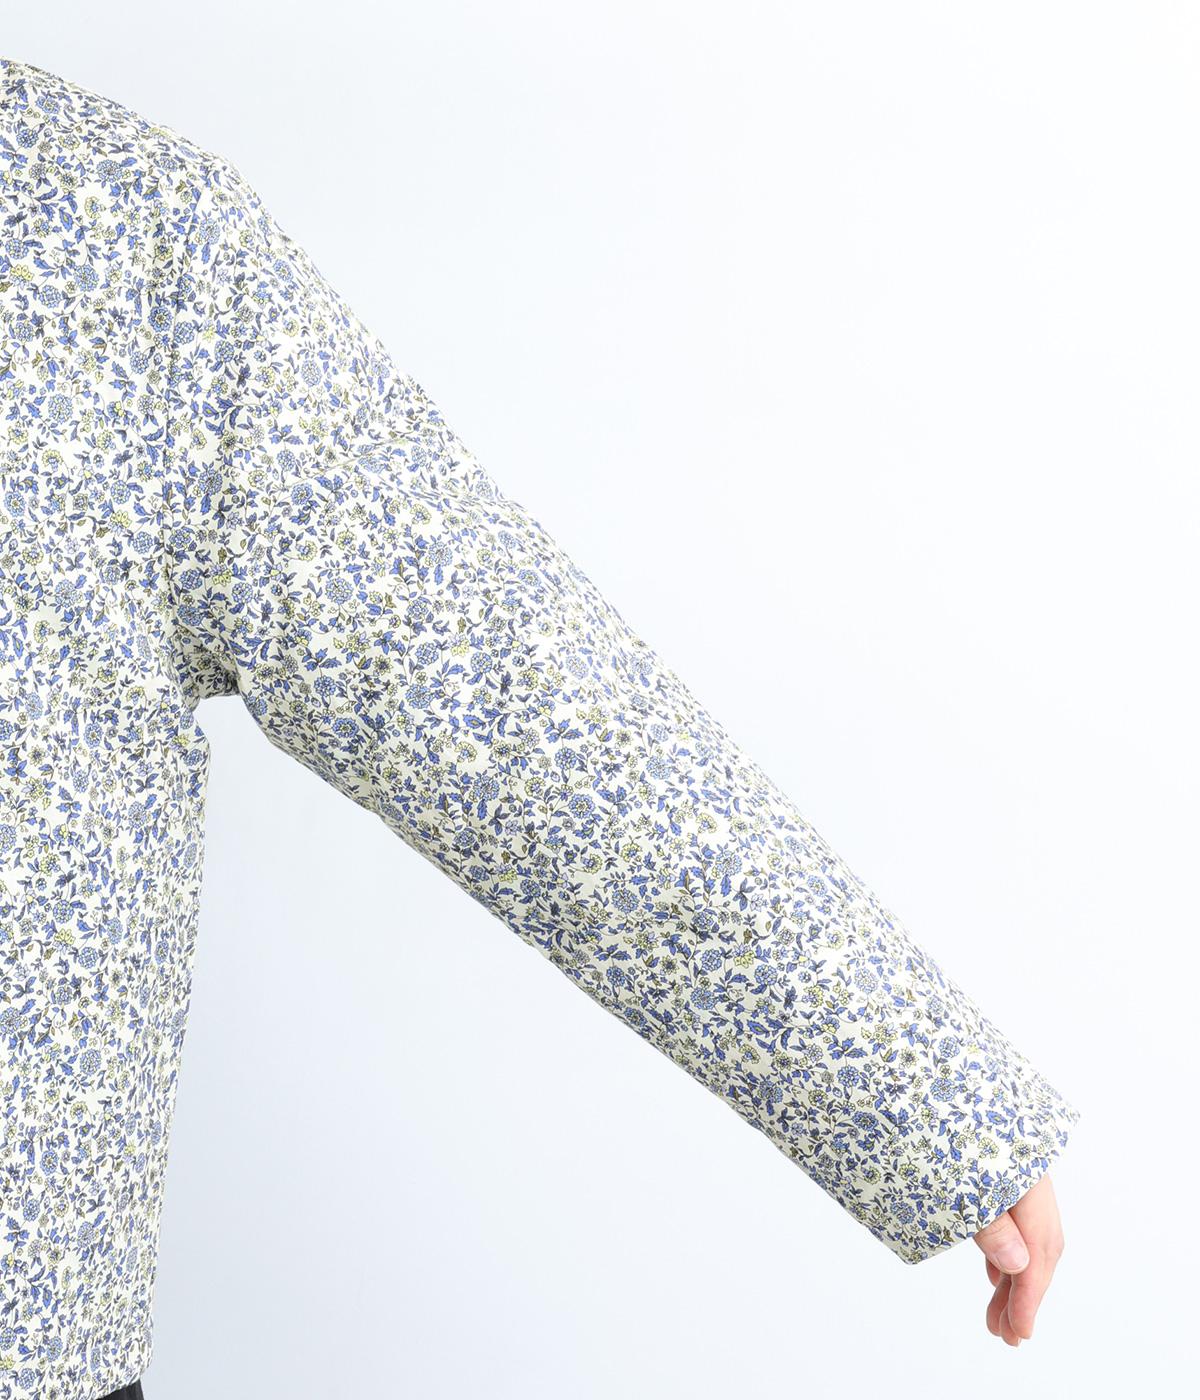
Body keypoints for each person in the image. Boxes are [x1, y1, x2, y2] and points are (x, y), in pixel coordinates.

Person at [0, 54, 1079, 1400]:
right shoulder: (100, 218)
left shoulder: (100, 228)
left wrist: (924, 1101)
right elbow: (510, 688)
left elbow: (513, 697)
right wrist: (935, 1108)